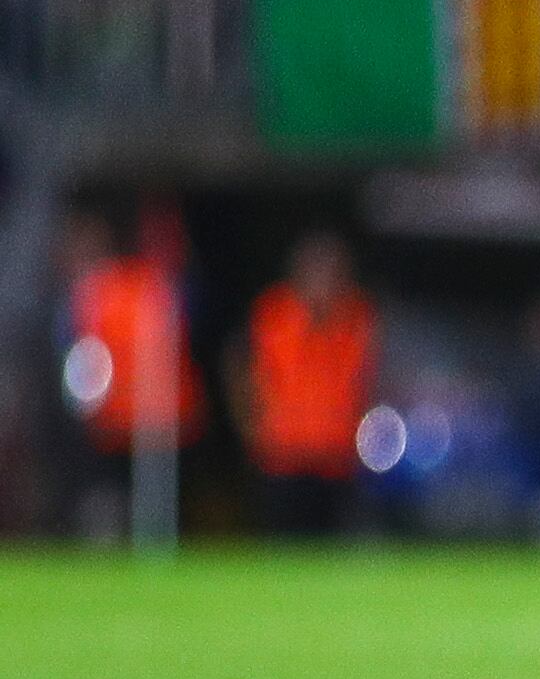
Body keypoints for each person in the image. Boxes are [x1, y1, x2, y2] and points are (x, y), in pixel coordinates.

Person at [57, 203, 206, 542]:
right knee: (106, 500)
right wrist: (86, 403)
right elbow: (81, 351)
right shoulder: (98, 290)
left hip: (158, 418)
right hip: (110, 417)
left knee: (157, 507)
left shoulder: (166, 288)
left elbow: (189, 330)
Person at [233, 229, 378, 537]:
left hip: (337, 457)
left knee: (333, 551)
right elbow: (241, 370)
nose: (323, 279)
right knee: (283, 548)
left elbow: (372, 378)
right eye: (316, 269)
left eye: (332, 270)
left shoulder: (358, 316)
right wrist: (251, 427)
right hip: (283, 455)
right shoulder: (272, 313)